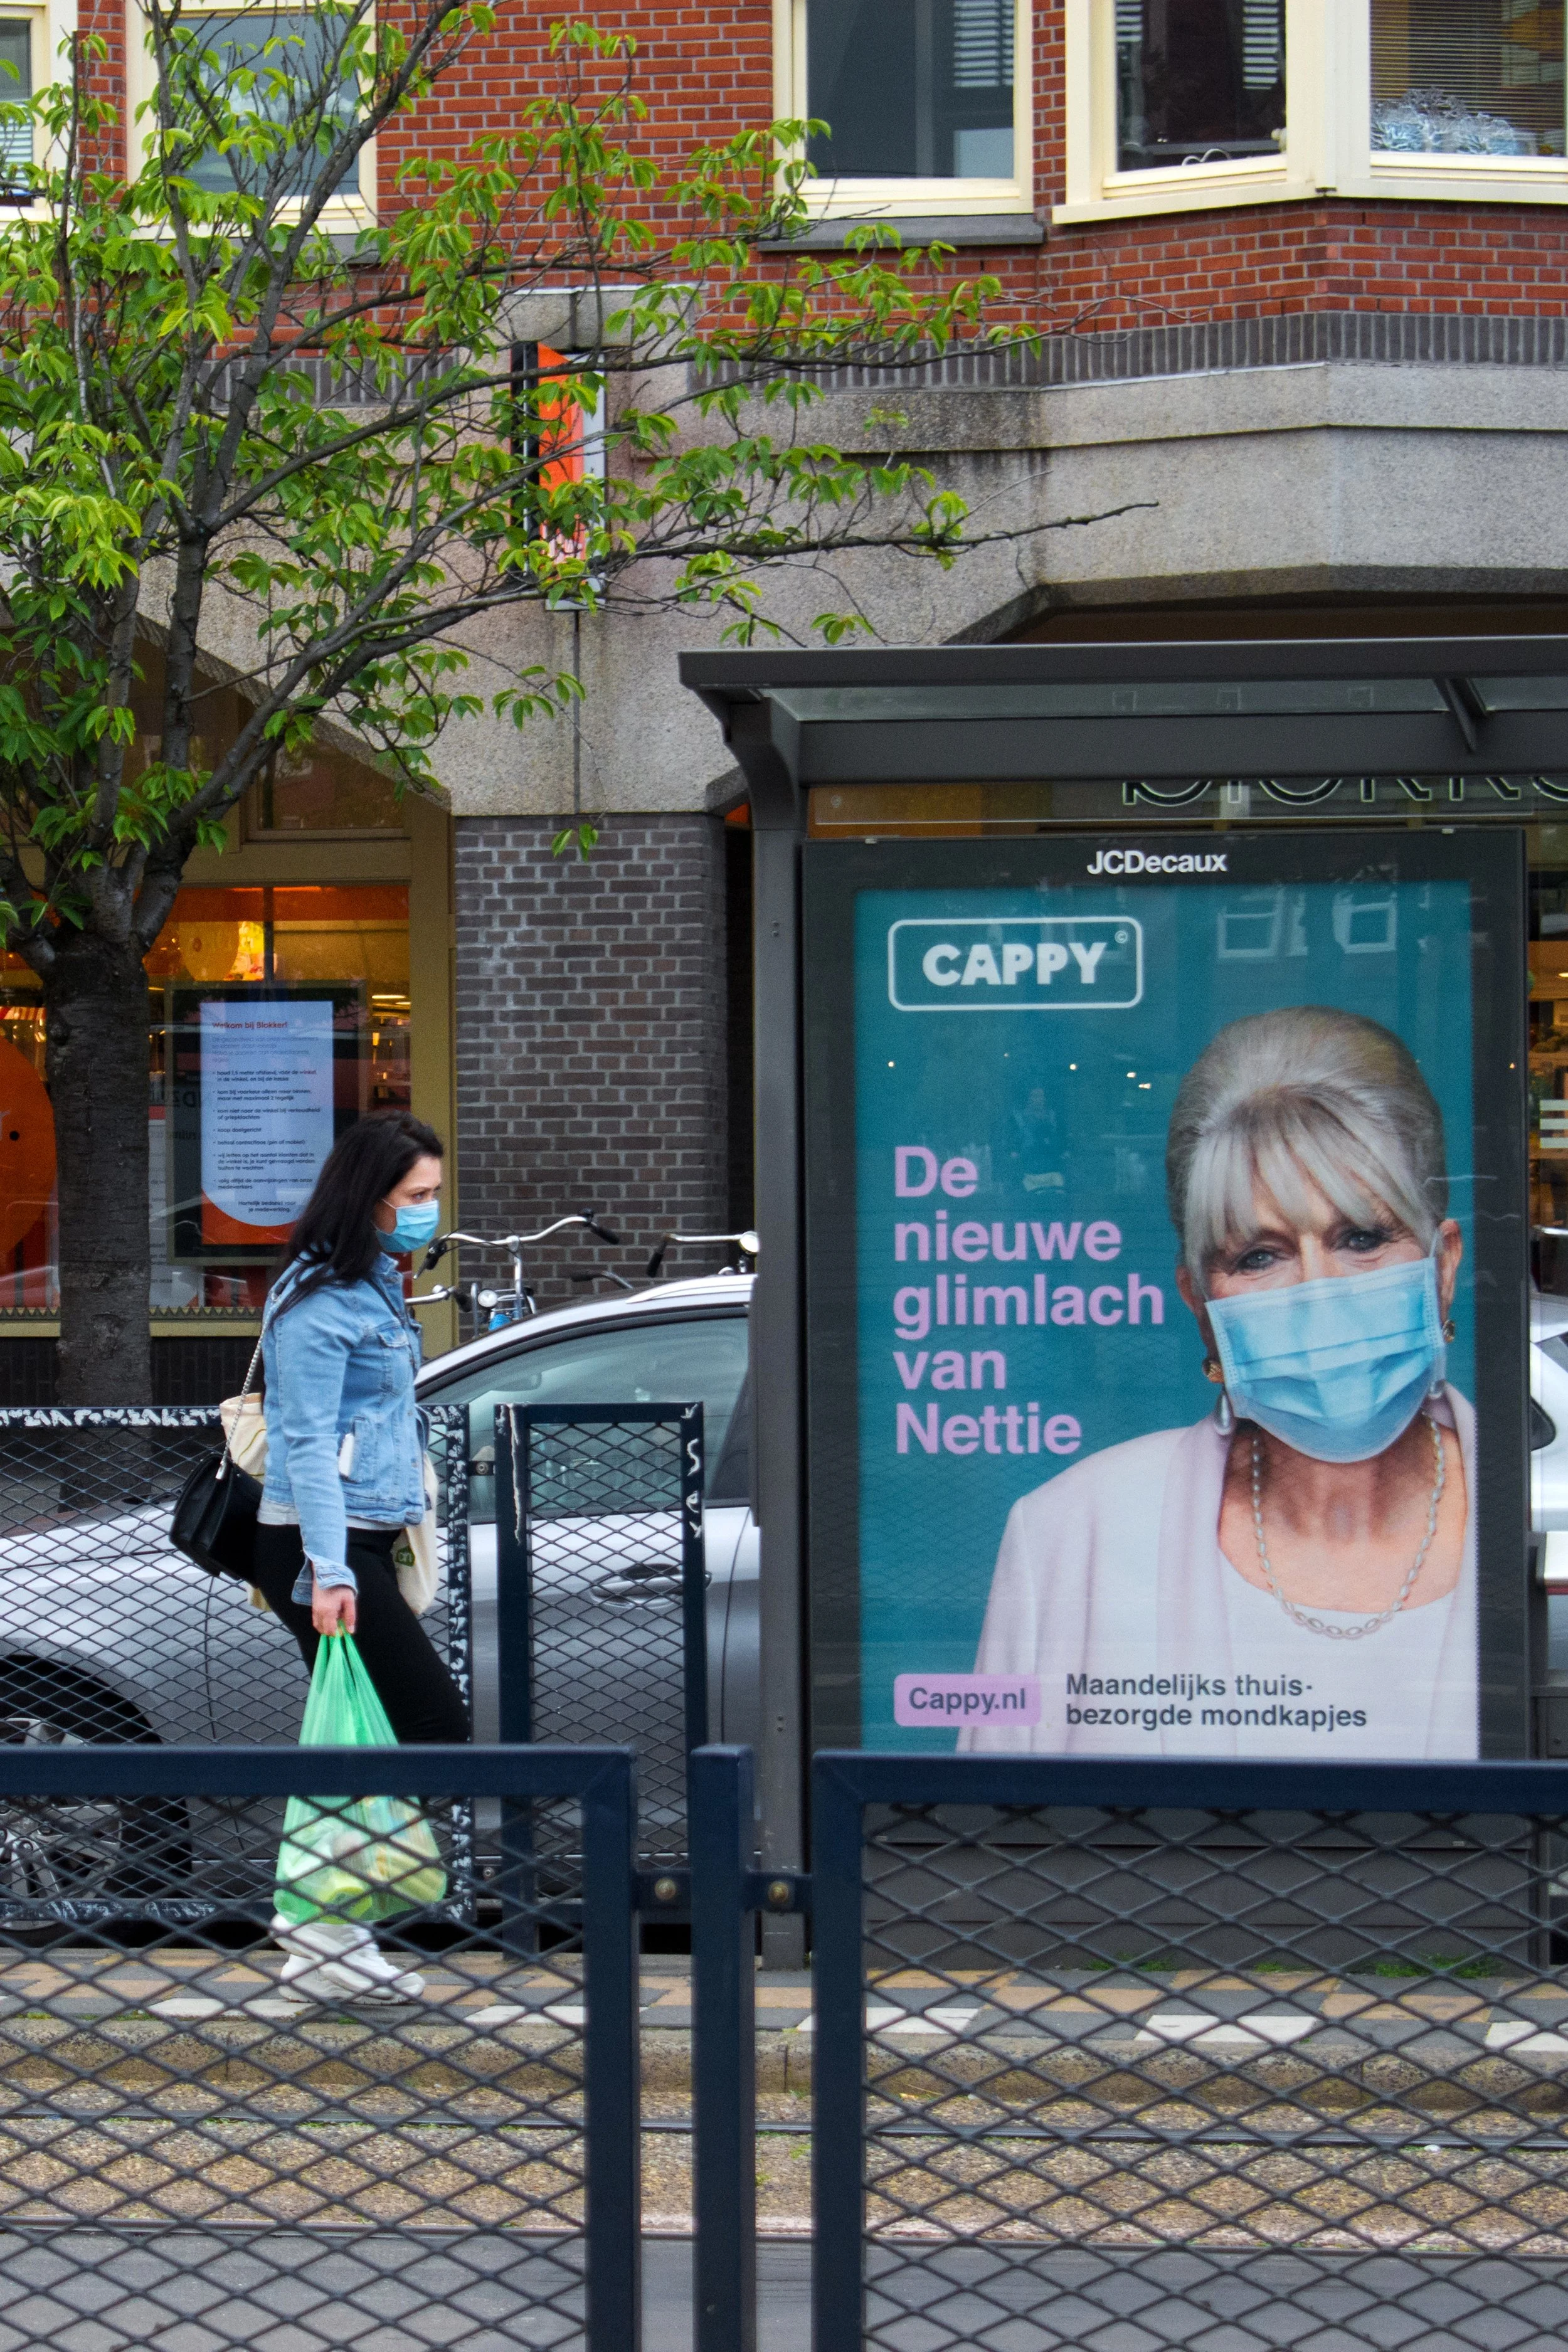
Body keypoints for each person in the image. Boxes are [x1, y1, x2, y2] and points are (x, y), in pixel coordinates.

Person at [961, 1006, 1476, 1759]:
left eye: (1361, 1238)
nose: (1318, 1292)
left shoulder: (1528, 1522)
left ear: (1443, 1267)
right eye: (1260, 1257)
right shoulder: (1067, 1538)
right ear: (1200, 1303)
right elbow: (981, 1851)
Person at [250, 1108, 469, 1998]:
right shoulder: (316, 1301)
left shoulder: (373, 1282)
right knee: (431, 1728)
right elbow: (305, 1443)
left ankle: (329, 1933)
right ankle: (319, 1923)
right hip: (318, 1546)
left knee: (369, 1730)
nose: (429, 1210)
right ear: (369, 1196)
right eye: (417, 1195)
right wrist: (332, 1571)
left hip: (359, 1536)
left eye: (434, 1194)